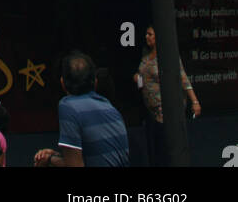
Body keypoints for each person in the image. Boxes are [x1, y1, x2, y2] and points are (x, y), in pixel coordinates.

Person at [34, 50, 129, 168]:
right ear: (95, 82)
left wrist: (49, 159)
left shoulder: (68, 106)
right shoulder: (110, 108)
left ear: (62, 83)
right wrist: (54, 156)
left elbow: (75, 165)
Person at [135, 25, 200, 167]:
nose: (147, 37)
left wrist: (194, 101)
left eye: (150, 34)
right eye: (146, 34)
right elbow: (142, 81)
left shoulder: (168, 57)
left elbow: (183, 79)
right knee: (157, 151)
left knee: (168, 149)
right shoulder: (145, 57)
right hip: (150, 112)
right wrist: (138, 79)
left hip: (165, 112)